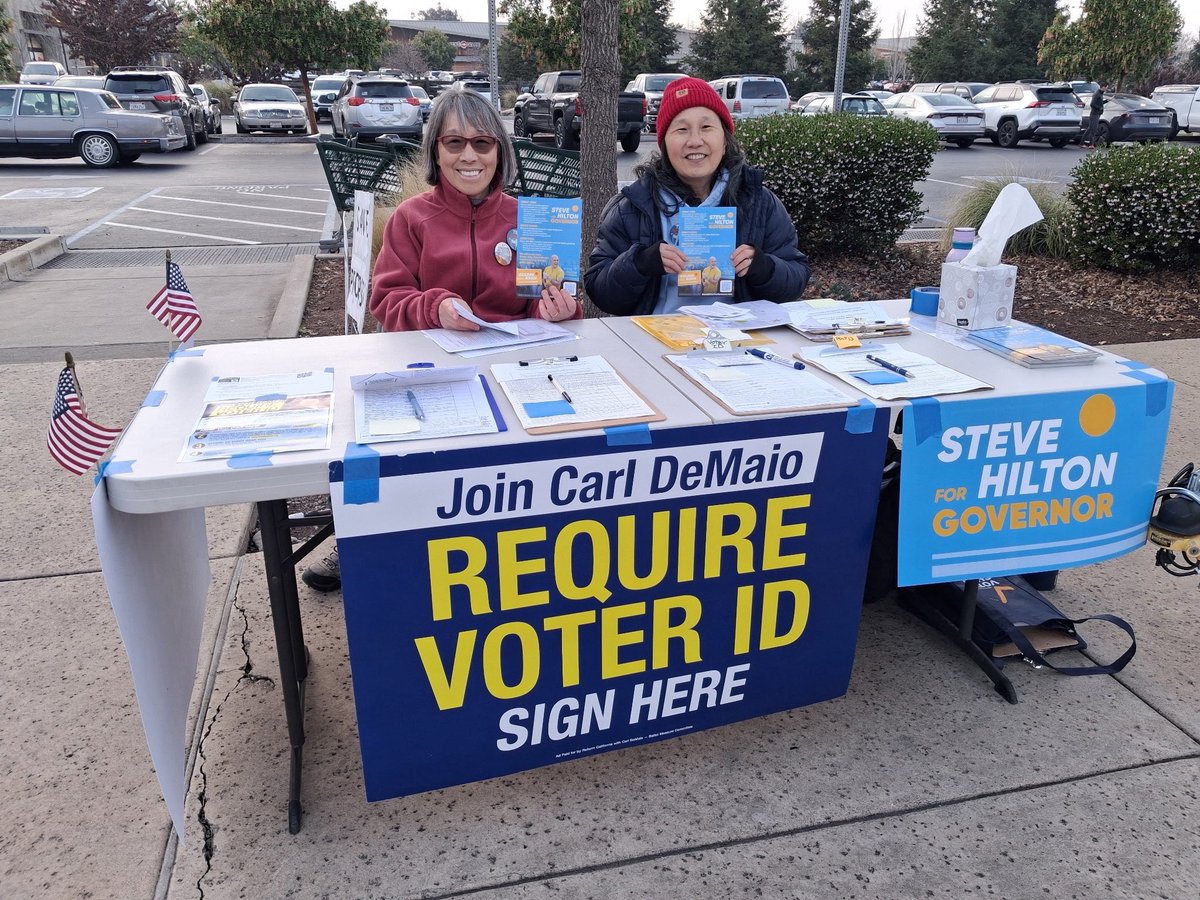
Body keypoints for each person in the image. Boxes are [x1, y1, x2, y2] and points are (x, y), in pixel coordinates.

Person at [302, 85, 581, 593]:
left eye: (482, 143)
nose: (469, 156)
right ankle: (363, 540)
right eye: (454, 143)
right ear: (435, 151)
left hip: (509, 372)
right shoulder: (411, 219)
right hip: (429, 373)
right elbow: (387, 301)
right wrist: (435, 308)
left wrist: (556, 308)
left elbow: (540, 305)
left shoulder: (530, 220)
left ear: (500, 151)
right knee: (391, 456)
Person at [584, 76, 810, 316]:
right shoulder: (633, 206)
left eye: (706, 127)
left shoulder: (759, 202)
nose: (694, 141)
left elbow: (796, 276)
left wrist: (764, 268)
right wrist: (639, 264)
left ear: (725, 140)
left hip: (737, 334)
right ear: (664, 144)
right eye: (681, 129)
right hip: (656, 334)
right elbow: (600, 291)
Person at [1081, 81, 1108, 149]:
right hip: (1094, 114)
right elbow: (1092, 104)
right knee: (1093, 129)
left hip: (1098, 114)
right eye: (1106, 87)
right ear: (1103, 87)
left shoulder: (1100, 94)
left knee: (1090, 129)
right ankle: (1091, 144)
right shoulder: (1097, 94)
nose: (1106, 89)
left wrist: (1106, 101)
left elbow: (1099, 102)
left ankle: (1082, 143)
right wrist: (1099, 108)